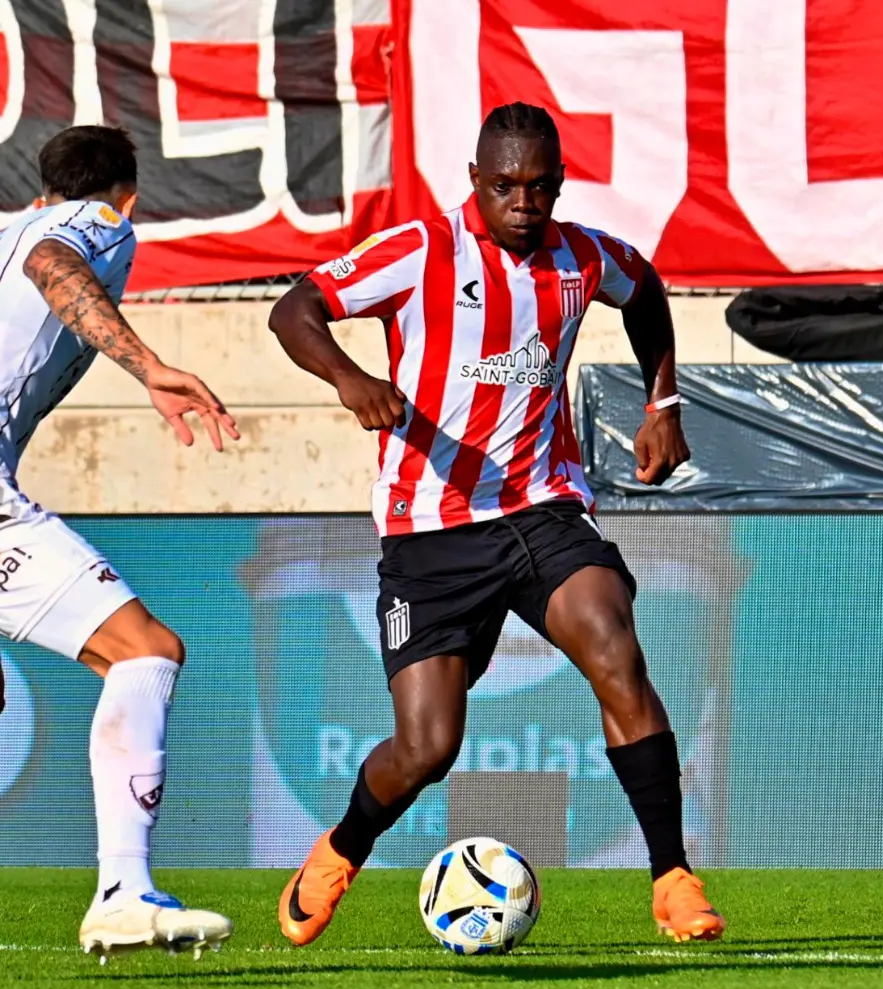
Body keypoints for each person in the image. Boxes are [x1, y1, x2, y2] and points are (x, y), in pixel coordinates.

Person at [268, 102, 725, 945]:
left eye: (540, 186)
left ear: (560, 184)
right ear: (475, 180)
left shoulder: (581, 255)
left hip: (542, 508)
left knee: (614, 647)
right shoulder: (419, 251)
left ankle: (672, 877)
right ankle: (340, 849)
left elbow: (645, 290)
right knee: (427, 747)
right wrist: (349, 378)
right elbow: (294, 310)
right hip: (429, 530)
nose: (523, 202)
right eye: (506, 185)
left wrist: (663, 403)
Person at [0, 125, 239, 961]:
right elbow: (54, 262)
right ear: (128, 199)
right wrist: (149, 366)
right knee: (144, 652)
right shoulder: (96, 224)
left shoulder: (10, 227)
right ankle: (123, 892)